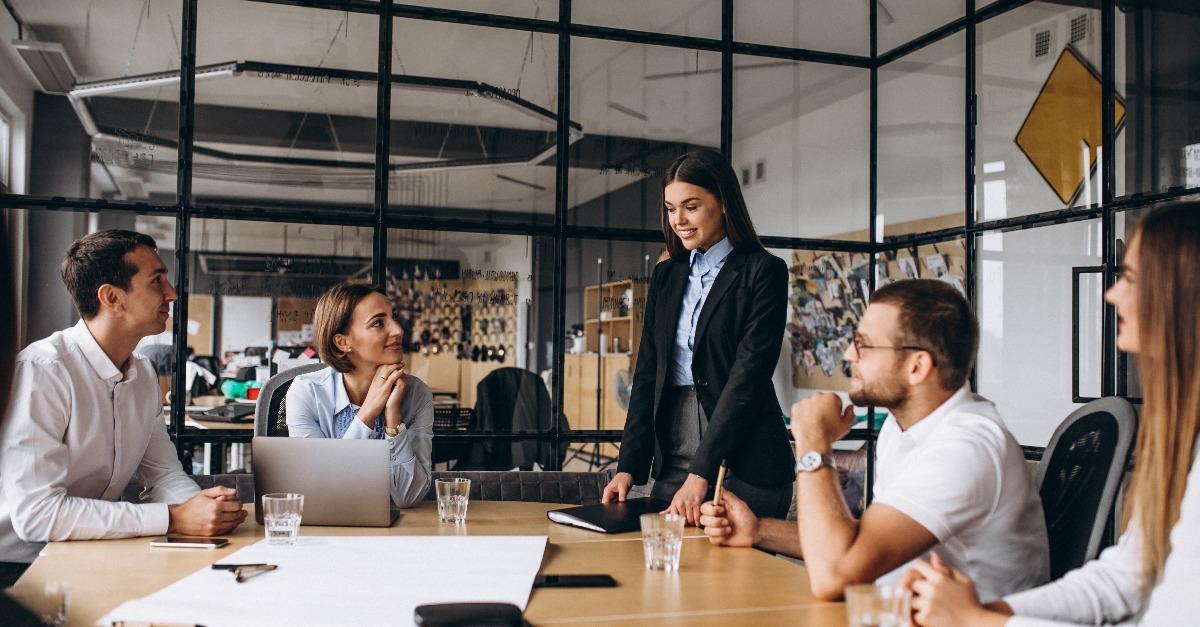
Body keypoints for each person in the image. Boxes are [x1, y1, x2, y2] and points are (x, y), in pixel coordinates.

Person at [902, 203, 1200, 626]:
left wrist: (979, 621)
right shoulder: (1185, 436)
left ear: (1183, 295)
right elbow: (1119, 581)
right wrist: (988, 612)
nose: (1110, 293)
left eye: (1130, 278)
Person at [699, 279, 1049, 601]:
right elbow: (859, 544)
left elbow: (835, 576)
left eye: (864, 345)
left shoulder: (965, 447)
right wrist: (758, 531)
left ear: (917, 366)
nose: (849, 355)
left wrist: (813, 444)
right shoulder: (902, 429)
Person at [0, 230, 248, 586]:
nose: (172, 294)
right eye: (156, 280)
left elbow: (162, 474)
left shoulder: (143, 372)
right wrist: (174, 518)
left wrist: (203, 508)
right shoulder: (44, 371)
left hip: (93, 552)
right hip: (18, 567)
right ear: (112, 297)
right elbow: (38, 517)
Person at [602, 148, 796, 524]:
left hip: (747, 458)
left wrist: (701, 472)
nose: (679, 220)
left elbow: (747, 379)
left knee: (736, 580)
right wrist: (628, 466)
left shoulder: (764, 272)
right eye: (671, 209)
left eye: (691, 206)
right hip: (674, 450)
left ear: (723, 203)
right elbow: (647, 374)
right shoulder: (667, 275)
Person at [285, 283, 433, 509]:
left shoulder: (416, 394)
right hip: (327, 529)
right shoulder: (307, 393)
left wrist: (393, 420)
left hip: (398, 532)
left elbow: (408, 497)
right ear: (343, 342)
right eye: (378, 323)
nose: (398, 330)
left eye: (393, 318)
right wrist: (368, 413)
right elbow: (325, 489)